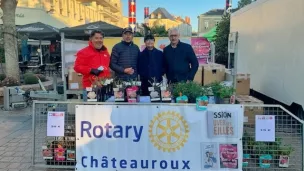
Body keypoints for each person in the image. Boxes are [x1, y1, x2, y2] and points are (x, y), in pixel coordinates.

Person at [74, 30, 111, 101]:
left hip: (104, 86)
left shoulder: (105, 52)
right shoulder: (84, 52)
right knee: (91, 109)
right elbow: (77, 67)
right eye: (96, 38)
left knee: (105, 109)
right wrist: (91, 70)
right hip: (91, 87)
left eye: (101, 38)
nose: (99, 40)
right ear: (91, 39)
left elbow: (107, 66)